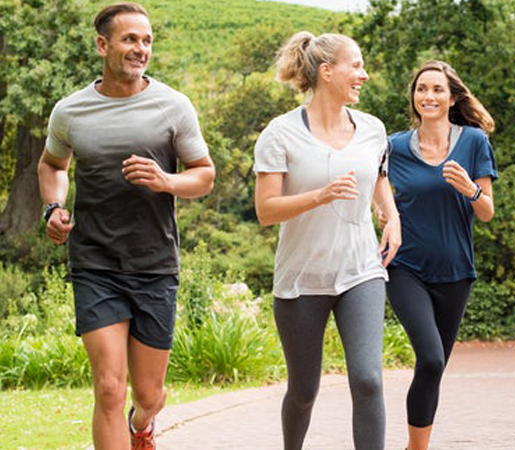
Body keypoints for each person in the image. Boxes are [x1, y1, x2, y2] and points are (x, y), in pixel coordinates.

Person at [37, 3, 215, 449]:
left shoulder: (173, 106)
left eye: (147, 40)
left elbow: (204, 174)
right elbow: (52, 164)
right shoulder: (71, 111)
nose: (141, 49)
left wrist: (166, 180)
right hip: (95, 261)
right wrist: (53, 207)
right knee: (109, 389)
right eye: (130, 39)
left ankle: (143, 424)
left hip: (155, 262)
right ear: (103, 45)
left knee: (148, 394)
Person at [253, 31, 401, 450]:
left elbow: (379, 178)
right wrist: (320, 195)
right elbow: (266, 210)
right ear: (326, 71)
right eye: (355, 65)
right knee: (303, 390)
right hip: (302, 278)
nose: (364, 75)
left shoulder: (372, 129)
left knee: (369, 379)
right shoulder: (280, 134)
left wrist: (392, 217)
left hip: (361, 271)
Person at [385, 60, 497, 450]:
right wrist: (385, 217)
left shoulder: (474, 142)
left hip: (455, 272)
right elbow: (376, 191)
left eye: (436, 90)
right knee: (430, 358)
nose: (428, 96)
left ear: (451, 98)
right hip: (405, 269)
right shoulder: (394, 147)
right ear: (414, 98)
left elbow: (487, 212)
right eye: (421, 89)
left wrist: (470, 189)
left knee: (434, 368)